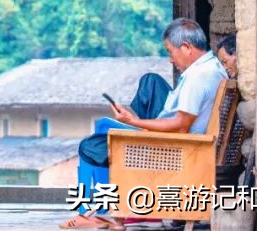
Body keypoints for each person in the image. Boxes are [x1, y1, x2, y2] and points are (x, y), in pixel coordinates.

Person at [60, 18, 228, 230]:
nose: (170, 59)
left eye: (170, 51)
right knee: (150, 81)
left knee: (89, 145)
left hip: (175, 147)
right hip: (182, 136)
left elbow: (181, 126)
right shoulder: (212, 66)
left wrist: (135, 122)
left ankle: (91, 212)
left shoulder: (197, 79)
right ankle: (108, 206)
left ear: (186, 47)